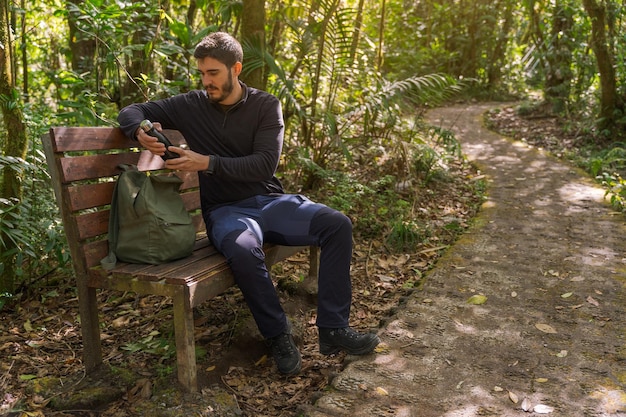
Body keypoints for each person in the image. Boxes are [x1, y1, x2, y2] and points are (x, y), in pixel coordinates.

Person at [118, 32, 380, 375]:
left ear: (235, 69)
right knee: (243, 249)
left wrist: (206, 163)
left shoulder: (266, 105)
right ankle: (278, 335)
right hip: (226, 211)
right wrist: (138, 129)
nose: (206, 81)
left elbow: (264, 164)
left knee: (337, 225)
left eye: (213, 73)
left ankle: (333, 329)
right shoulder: (191, 104)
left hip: (271, 202)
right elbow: (131, 110)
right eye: (201, 73)